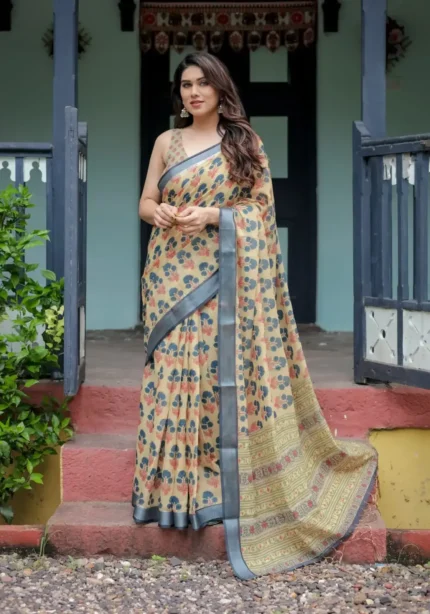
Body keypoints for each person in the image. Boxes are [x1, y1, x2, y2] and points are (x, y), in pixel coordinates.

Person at [133, 51, 377, 580]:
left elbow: (260, 213)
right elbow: (145, 204)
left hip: (220, 275)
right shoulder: (165, 143)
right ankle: (168, 494)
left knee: (207, 380)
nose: (192, 93)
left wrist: (213, 215)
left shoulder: (244, 143)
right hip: (169, 272)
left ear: (221, 89)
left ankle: (215, 491)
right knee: (172, 375)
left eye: (202, 84)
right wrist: (165, 213)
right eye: (184, 85)